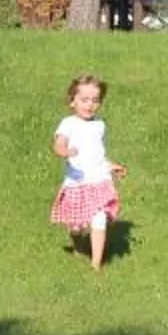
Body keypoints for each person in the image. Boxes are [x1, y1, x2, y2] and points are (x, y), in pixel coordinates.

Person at [46, 73, 125, 273]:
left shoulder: (99, 125)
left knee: (99, 217)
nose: (89, 105)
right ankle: (79, 245)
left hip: (98, 181)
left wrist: (110, 165)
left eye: (95, 100)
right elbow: (59, 143)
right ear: (72, 101)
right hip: (77, 182)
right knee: (76, 226)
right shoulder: (68, 123)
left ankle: (96, 264)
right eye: (84, 100)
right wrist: (63, 151)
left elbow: (97, 154)